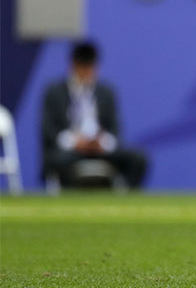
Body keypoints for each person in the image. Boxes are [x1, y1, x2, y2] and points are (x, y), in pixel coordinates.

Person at [42, 41, 148, 189]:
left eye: (90, 67)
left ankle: (125, 199)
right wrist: (74, 141)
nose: (86, 72)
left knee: (139, 159)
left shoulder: (106, 92)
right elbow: (48, 130)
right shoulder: (54, 92)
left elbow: (115, 129)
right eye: (82, 67)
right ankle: (71, 198)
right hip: (71, 151)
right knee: (59, 160)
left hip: (100, 149)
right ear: (73, 65)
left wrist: (102, 141)